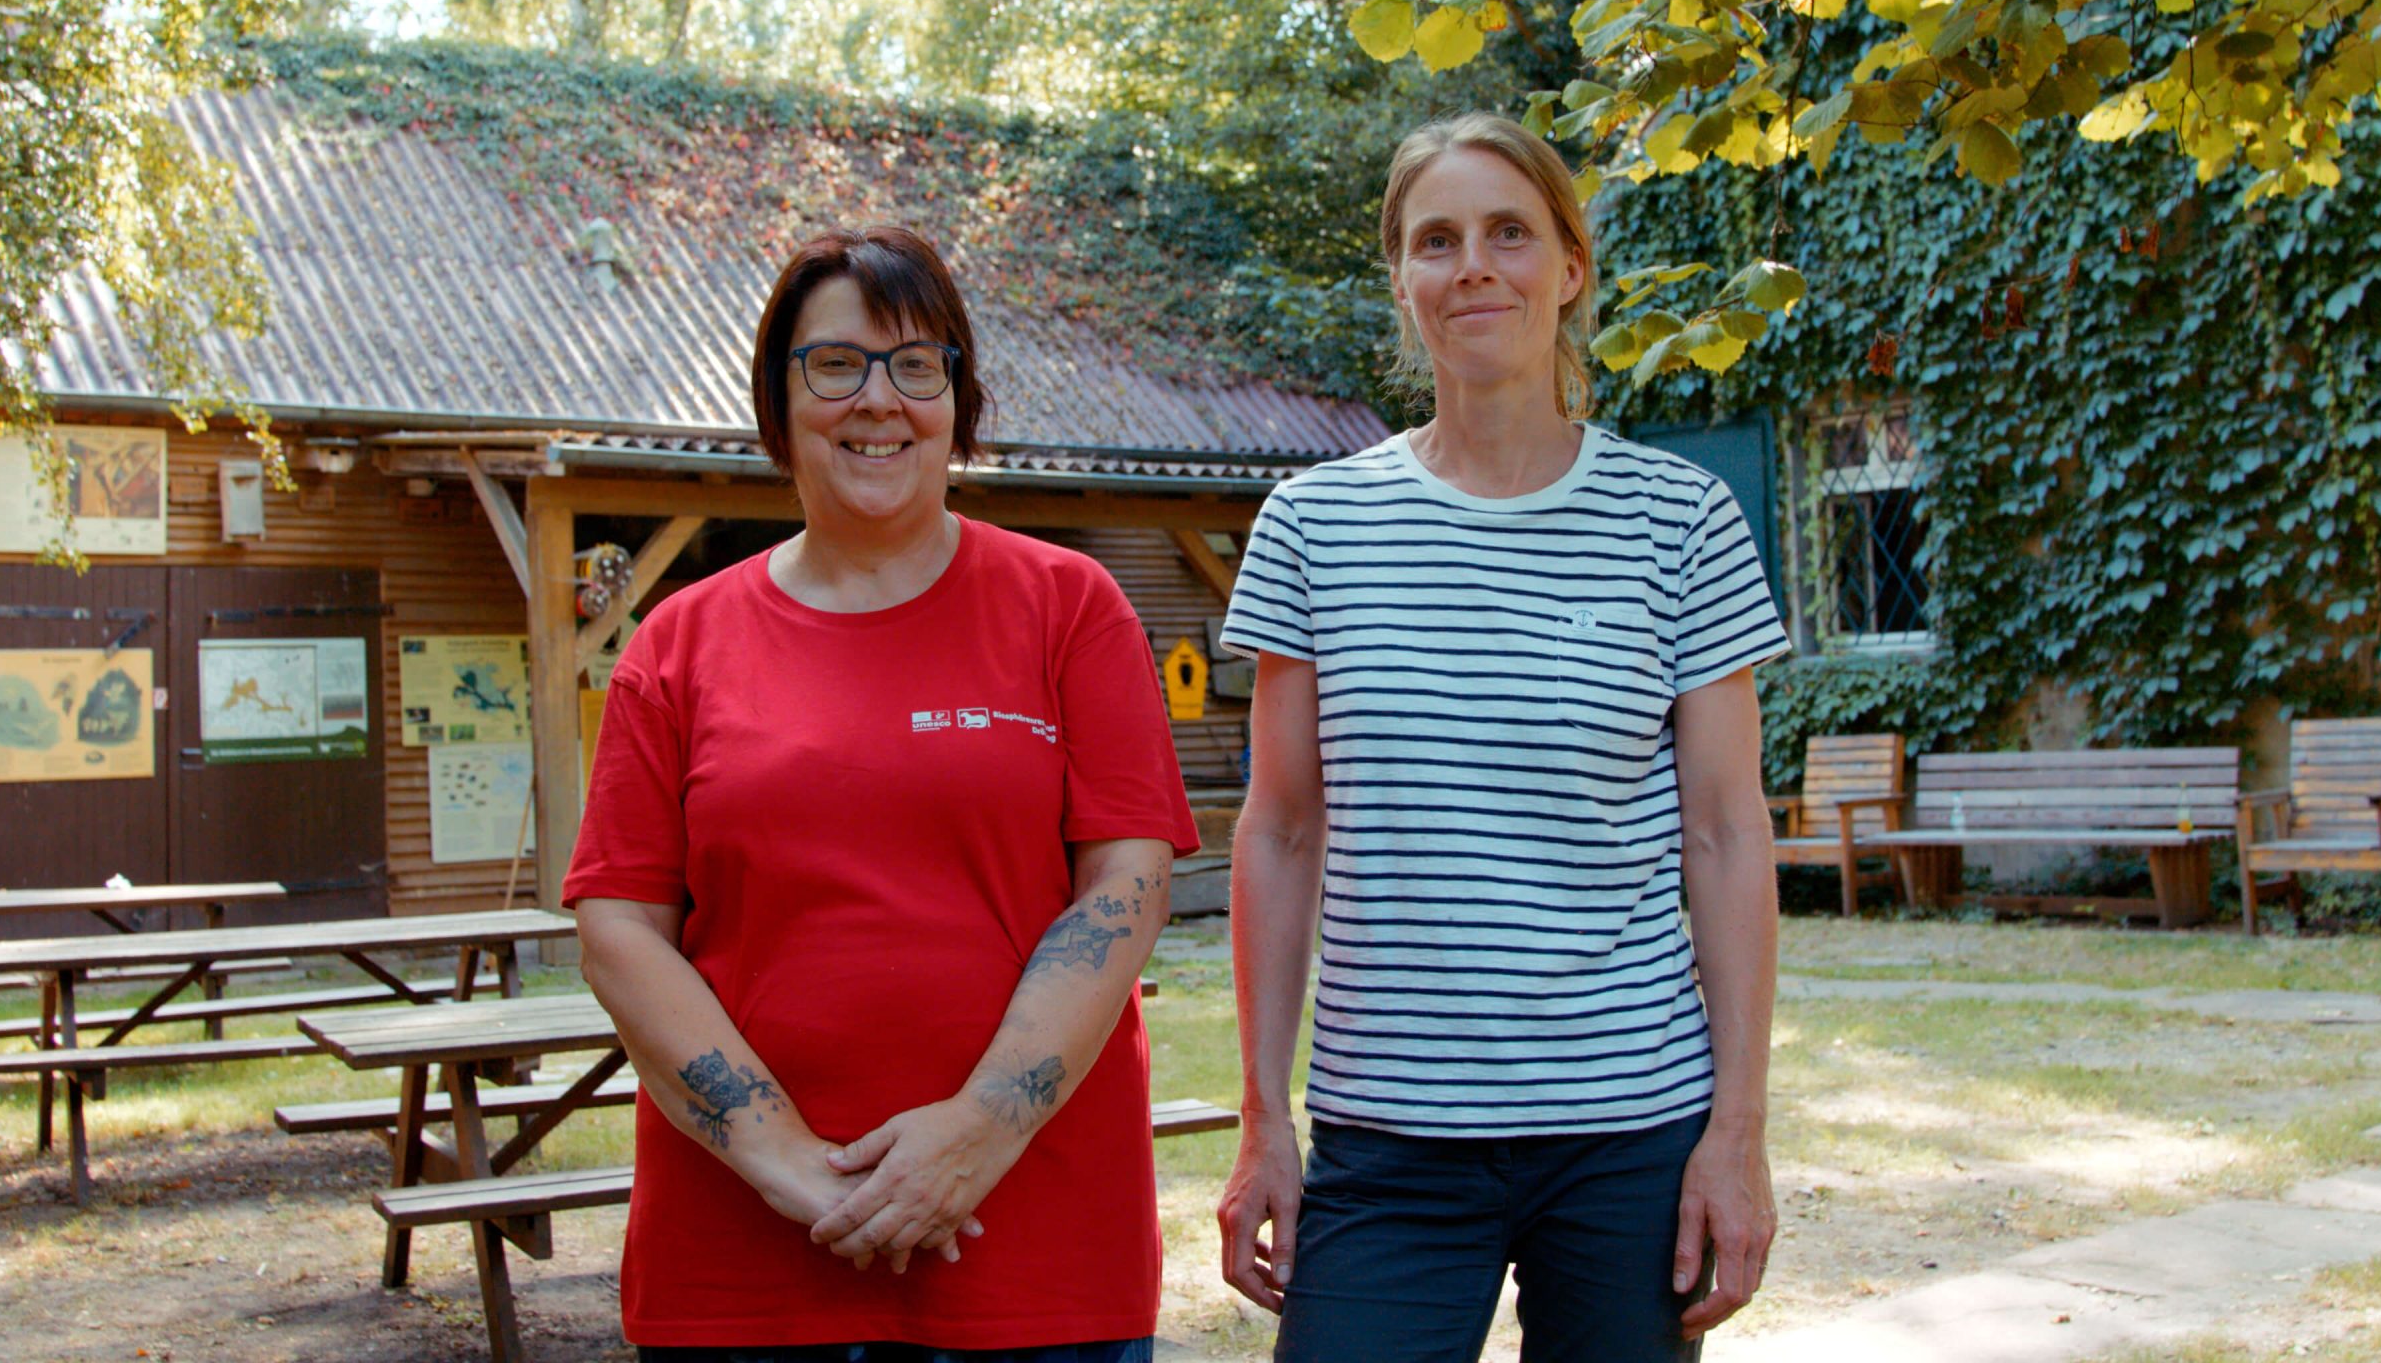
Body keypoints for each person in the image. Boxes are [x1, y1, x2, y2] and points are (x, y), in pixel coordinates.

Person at [567, 224, 1200, 1362]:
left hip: (1036, 1253)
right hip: (745, 1267)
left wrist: (977, 1131)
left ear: (958, 398)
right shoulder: (678, 643)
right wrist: (790, 1165)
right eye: (835, 363)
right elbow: (619, 927)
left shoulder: (1071, 607)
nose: (879, 400)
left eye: (917, 366)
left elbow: (1126, 882)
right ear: (778, 396)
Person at [1212, 113, 1786, 1362]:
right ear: (1403, 280)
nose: (1472, 264)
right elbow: (1281, 828)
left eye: (1508, 232)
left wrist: (1734, 1133)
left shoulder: (1680, 518)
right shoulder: (1314, 526)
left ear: (1570, 268)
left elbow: (1728, 833)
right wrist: (1266, 1117)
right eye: (1436, 240)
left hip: (1632, 1132)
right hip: (1388, 1134)